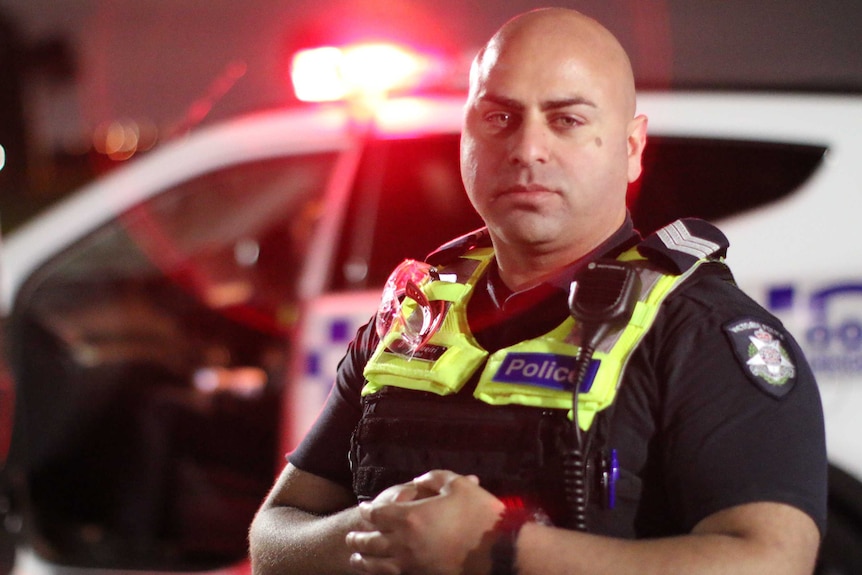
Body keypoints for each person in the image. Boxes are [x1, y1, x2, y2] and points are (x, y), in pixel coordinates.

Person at [248, 7, 827, 575]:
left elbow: (772, 559)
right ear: (466, 133)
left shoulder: (700, 332)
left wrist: (496, 549)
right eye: (500, 118)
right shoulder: (414, 316)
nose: (527, 150)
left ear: (631, 148)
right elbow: (273, 537)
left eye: (567, 120)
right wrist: (382, 530)